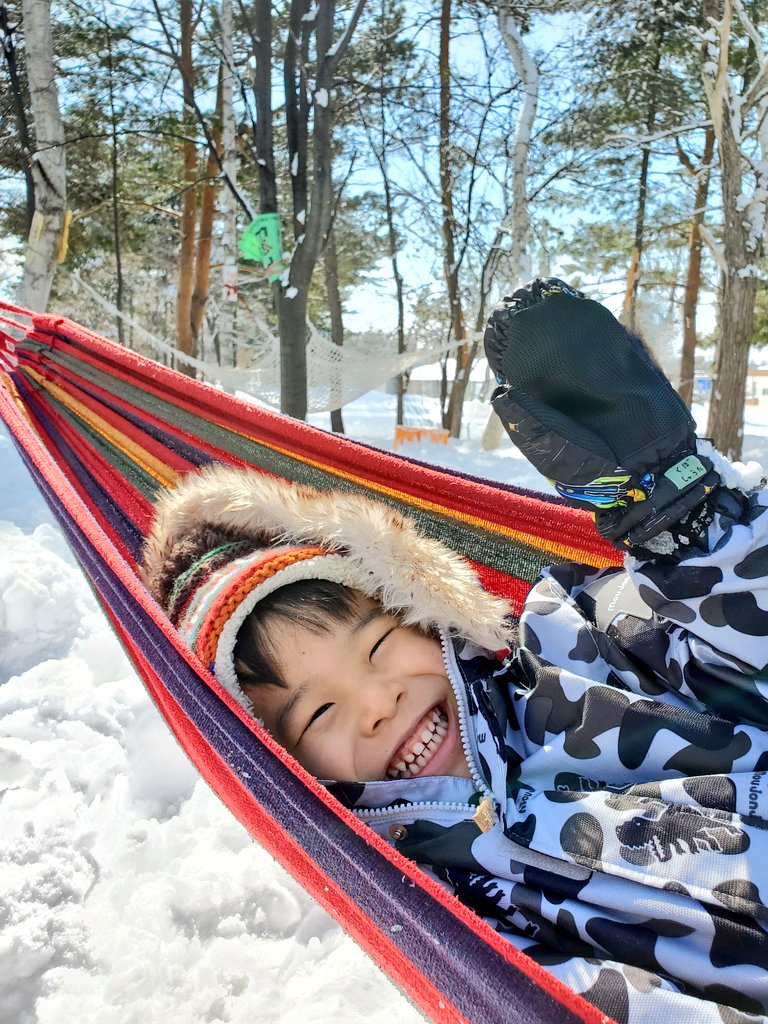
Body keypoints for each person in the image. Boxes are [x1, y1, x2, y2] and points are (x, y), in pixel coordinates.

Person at [142, 280, 768, 1024]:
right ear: (286, 767)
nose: (379, 705)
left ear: (424, 610)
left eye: (376, 646)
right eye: (318, 715)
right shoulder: (449, 909)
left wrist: (685, 523)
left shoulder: (576, 633)